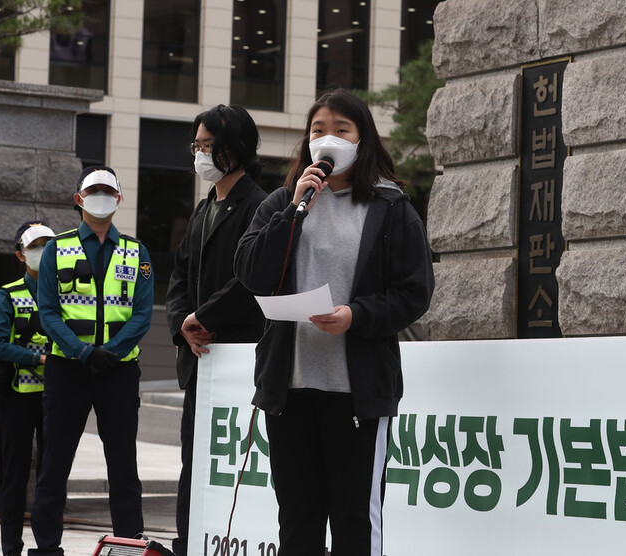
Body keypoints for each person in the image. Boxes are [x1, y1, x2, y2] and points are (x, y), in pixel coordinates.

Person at [234, 88, 435, 556]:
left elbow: (415, 292)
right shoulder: (284, 202)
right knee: (298, 521)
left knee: (353, 522)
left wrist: (355, 315)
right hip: (291, 388)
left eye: (341, 130)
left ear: (362, 140)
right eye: (318, 130)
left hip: (356, 393)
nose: (328, 139)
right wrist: (294, 209)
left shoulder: (391, 208)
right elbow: (250, 272)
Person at [29, 166, 154, 556]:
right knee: (54, 466)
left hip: (117, 372)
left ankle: (130, 547)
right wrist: (83, 351)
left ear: (118, 198)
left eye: (107, 190)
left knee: (123, 468)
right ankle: (47, 549)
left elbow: (142, 314)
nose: (100, 195)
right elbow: (48, 311)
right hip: (69, 369)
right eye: (93, 190)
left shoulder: (138, 252)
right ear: (78, 198)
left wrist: (110, 352)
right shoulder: (57, 248)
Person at [166, 104, 267, 556]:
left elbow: (252, 277)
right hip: (200, 360)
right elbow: (178, 275)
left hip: (240, 359)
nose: (201, 155)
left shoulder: (261, 205)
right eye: (198, 146)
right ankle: (190, 541)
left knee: (240, 468)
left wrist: (204, 317)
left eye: (210, 146)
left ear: (237, 149)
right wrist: (182, 324)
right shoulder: (204, 207)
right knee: (195, 465)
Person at [0, 220, 55, 556]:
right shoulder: (8, 294)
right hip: (17, 398)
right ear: (20, 255)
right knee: (15, 478)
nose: (42, 252)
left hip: (56, 398)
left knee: (50, 477)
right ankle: (11, 548)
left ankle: (46, 547)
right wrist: (37, 359)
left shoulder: (68, 293)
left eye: (48, 245)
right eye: (35, 246)